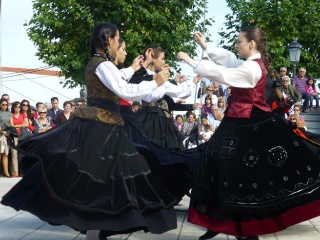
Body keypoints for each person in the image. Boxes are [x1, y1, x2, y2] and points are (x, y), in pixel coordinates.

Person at [1, 22, 185, 240]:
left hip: (103, 127)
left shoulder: (100, 64)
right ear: (109, 40)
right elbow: (124, 89)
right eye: (118, 39)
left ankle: (95, 232)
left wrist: (133, 69)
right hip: (104, 129)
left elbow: (118, 79)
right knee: (108, 181)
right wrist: (156, 81)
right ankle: (98, 231)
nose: (119, 43)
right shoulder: (103, 65)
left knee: (101, 183)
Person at [177, 28, 320, 240]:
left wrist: (191, 61)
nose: (236, 44)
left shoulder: (252, 68)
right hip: (236, 122)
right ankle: (219, 221)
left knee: (239, 175)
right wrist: (206, 47)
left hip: (247, 124)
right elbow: (230, 60)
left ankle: (245, 231)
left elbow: (224, 74)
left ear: (251, 44)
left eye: (239, 41)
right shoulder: (249, 63)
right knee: (215, 167)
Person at [0, 98, 13, 178]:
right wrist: (2, 131)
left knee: (5, 153)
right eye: (3, 104)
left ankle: (6, 172)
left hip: (7, 135)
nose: (5, 106)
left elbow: (11, 124)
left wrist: (9, 132)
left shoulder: (9, 113)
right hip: (0, 134)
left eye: (6, 104)